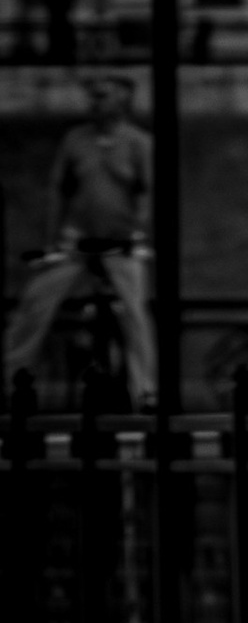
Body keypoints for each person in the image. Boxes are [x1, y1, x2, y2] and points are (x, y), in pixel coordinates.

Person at [5, 71, 155, 399]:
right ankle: (12, 381)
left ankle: (145, 390)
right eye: (91, 96)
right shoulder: (76, 139)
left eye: (102, 95)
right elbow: (59, 189)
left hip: (121, 244)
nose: (94, 102)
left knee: (135, 314)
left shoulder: (139, 142)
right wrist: (53, 239)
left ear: (123, 99)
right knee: (36, 301)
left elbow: (148, 192)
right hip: (79, 241)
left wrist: (138, 231)